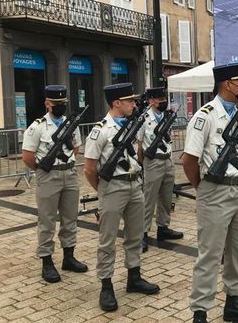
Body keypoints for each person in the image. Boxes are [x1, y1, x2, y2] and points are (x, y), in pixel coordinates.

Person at [182, 62, 238, 323]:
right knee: (210, 253)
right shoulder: (204, 116)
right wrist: (202, 187)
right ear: (227, 84)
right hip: (215, 191)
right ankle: (200, 311)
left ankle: (234, 302)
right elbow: (188, 160)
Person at [84, 83, 160, 312]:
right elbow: (89, 168)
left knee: (135, 235)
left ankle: (133, 277)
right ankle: (106, 285)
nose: (134, 104)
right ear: (117, 103)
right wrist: (104, 191)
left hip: (135, 185)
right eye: (130, 101)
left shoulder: (132, 125)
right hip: (112, 187)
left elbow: (137, 152)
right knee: (107, 240)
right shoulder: (100, 130)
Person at [22, 85, 88, 283]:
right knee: (47, 220)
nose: (60, 107)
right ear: (47, 103)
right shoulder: (37, 127)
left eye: (63, 103)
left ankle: (69, 257)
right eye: (56, 103)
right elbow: (27, 157)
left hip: (68, 173)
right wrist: (44, 169)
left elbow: (76, 148)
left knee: (70, 217)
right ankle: (47, 261)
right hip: (48, 176)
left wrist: (63, 163)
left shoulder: (71, 124)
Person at [137, 87, 183, 253]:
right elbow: (139, 146)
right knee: (148, 199)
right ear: (151, 101)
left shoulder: (167, 115)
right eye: (159, 99)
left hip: (167, 160)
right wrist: (144, 165)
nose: (163, 101)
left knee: (166, 196)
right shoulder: (143, 118)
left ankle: (163, 227)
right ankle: (142, 233)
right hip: (153, 162)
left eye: (164, 98)